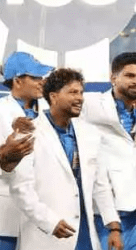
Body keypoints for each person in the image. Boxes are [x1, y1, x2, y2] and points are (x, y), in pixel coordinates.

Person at [9, 68, 123, 250]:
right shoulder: (28, 133)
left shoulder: (90, 134)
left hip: (85, 237)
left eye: (81, 92)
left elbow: (100, 185)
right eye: (73, 92)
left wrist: (114, 227)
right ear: (53, 97)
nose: (80, 98)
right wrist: (49, 222)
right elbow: (21, 188)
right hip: (45, 237)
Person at [80, 52, 136, 250]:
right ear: (113, 78)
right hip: (101, 214)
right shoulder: (89, 103)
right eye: (130, 75)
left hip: (135, 212)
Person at [0, 51, 53, 250]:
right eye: (35, 77)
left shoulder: (52, 111)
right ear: (17, 81)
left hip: (44, 215)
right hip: (7, 215)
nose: (42, 82)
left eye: (42, 77)